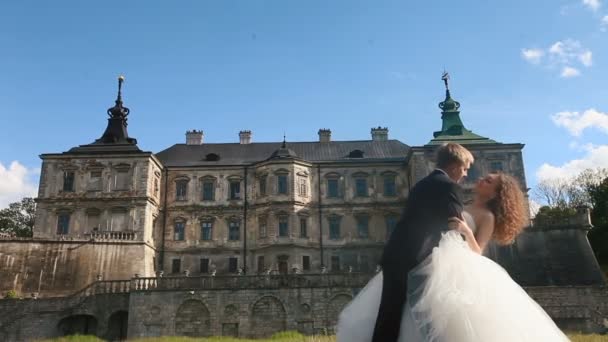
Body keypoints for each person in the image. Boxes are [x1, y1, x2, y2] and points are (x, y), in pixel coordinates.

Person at [336, 172, 570, 342]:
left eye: (489, 181)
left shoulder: (486, 215)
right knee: (420, 308)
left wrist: (466, 231)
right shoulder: (462, 202)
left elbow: (478, 250)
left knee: (448, 314)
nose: (481, 178)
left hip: (458, 265)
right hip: (436, 258)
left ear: (497, 194)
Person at [372, 142, 473, 342]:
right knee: (430, 319)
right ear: (454, 166)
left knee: (389, 315)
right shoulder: (449, 186)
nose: (465, 174)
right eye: (465, 168)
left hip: (397, 254)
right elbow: (456, 226)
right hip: (416, 259)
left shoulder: (422, 184)